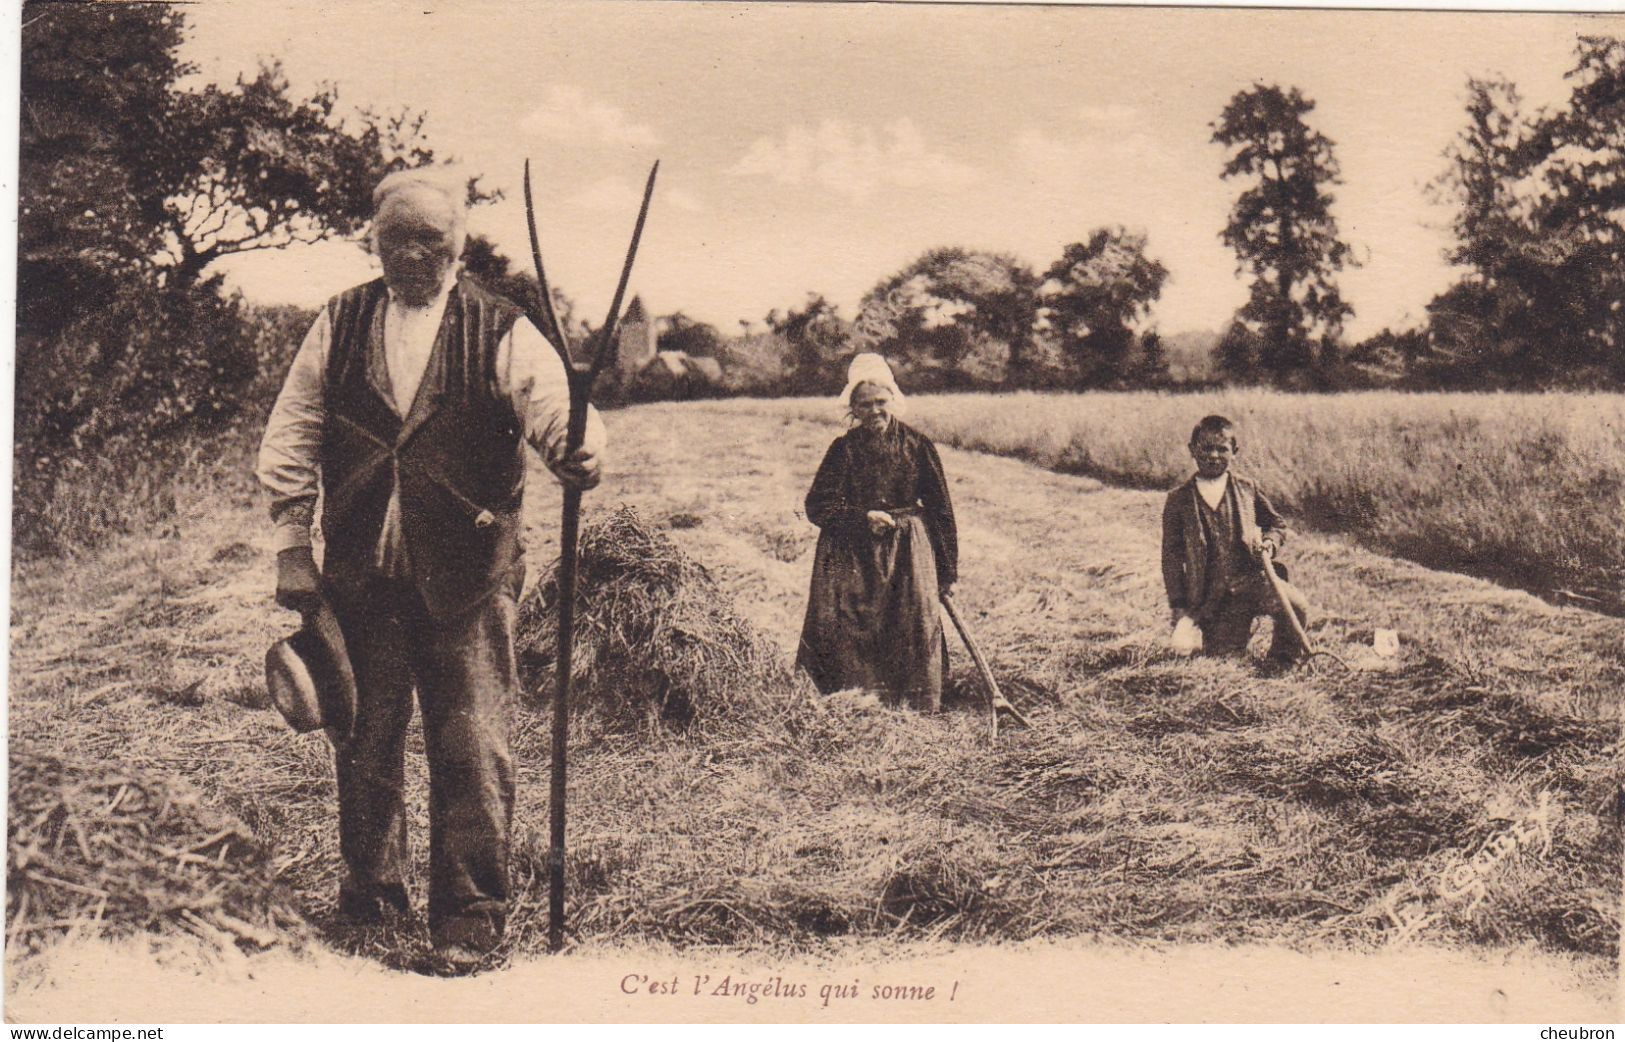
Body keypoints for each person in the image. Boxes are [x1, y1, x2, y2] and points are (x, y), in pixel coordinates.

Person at [256, 167, 605, 970]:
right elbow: (294, 428)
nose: (414, 255)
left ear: (459, 246)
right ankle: (371, 902)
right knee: (364, 741)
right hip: (359, 576)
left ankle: (470, 918)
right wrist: (290, 544)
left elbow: (551, 408)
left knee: (471, 744)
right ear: (371, 239)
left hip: (469, 575)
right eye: (397, 239)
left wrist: (576, 452)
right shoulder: (339, 322)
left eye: (433, 241)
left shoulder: (501, 327)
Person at [796, 354, 957, 710]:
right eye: (865, 405)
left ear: (894, 401)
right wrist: (861, 517)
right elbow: (816, 506)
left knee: (910, 621)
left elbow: (941, 510)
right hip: (853, 554)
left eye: (880, 402)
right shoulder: (843, 450)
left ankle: (913, 703)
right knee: (852, 625)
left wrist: (947, 571)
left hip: (907, 552)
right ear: (852, 408)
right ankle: (857, 701)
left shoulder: (918, 445)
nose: (874, 411)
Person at [1161, 414, 1309, 664]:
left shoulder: (1247, 488)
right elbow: (1171, 558)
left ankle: (1282, 662)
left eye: (1222, 449)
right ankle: (1224, 644)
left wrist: (1270, 543)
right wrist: (1179, 605)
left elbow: (1276, 524)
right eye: (1206, 448)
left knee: (1296, 605)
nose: (1214, 456)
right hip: (1213, 599)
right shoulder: (1179, 500)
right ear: (1192, 450)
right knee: (1223, 661)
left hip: (1253, 582)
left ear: (1235, 451)